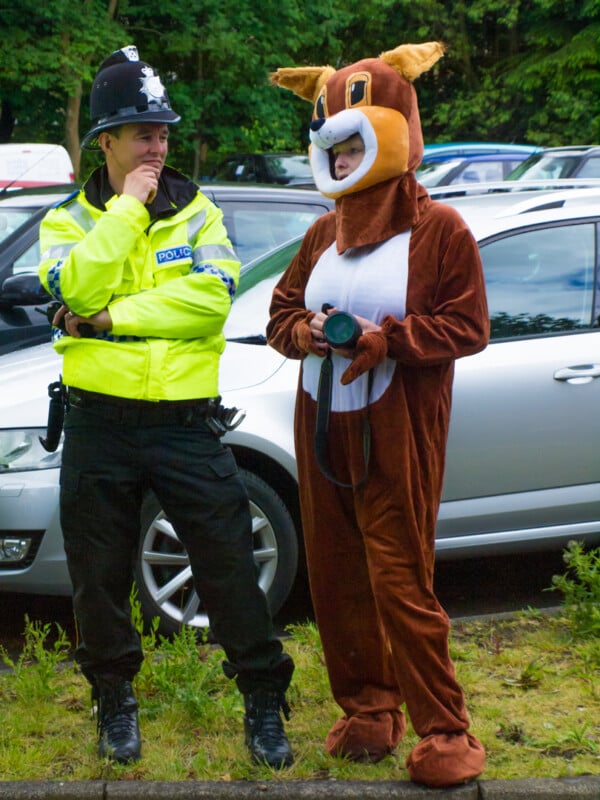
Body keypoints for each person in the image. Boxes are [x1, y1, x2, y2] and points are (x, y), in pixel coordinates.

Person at [38, 45, 294, 768]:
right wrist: (125, 211)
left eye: (163, 133)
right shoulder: (66, 223)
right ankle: (114, 703)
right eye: (141, 133)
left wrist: (114, 320)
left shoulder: (202, 213)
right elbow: (78, 289)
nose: (157, 145)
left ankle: (264, 701)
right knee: (99, 578)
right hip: (100, 422)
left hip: (185, 422)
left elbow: (209, 303)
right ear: (106, 142)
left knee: (231, 569)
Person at [267, 42, 488, 788]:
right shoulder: (319, 235)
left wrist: (386, 341)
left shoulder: (440, 231)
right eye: (336, 141)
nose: (343, 157)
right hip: (320, 421)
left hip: (396, 431)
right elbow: (280, 316)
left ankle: (447, 729)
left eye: (358, 139)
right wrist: (306, 331)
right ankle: (368, 708)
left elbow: (468, 327)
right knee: (335, 577)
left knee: (401, 582)